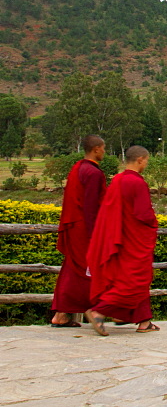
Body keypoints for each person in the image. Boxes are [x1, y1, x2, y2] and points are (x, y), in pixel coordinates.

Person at [85, 145, 159, 335]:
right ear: (141, 159)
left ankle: (144, 321)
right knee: (136, 279)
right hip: (134, 239)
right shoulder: (137, 182)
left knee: (132, 277)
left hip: (118, 237)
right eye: (147, 161)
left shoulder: (117, 180)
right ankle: (99, 311)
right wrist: (154, 223)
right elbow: (144, 214)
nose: (146, 165)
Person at [50, 134, 107, 327]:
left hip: (74, 226)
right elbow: (91, 207)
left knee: (72, 270)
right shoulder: (93, 173)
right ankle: (97, 309)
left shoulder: (78, 168)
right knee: (89, 270)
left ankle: (61, 314)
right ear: (97, 149)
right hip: (84, 229)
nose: (104, 152)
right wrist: (95, 236)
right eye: (103, 148)